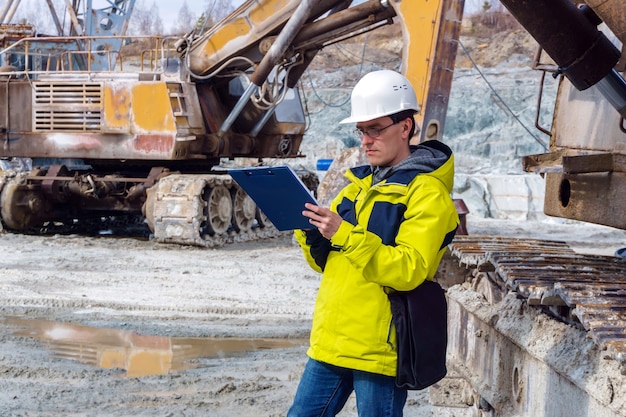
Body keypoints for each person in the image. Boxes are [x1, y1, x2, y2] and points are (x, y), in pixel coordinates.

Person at [287, 69, 459, 417]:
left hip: (380, 351)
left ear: (405, 127)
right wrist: (309, 233)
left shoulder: (427, 194)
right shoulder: (355, 188)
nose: (366, 141)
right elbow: (327, 264)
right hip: (330, 343)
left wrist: (345, 234)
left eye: (376, 129)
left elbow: (409, 269)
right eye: (362, 131)